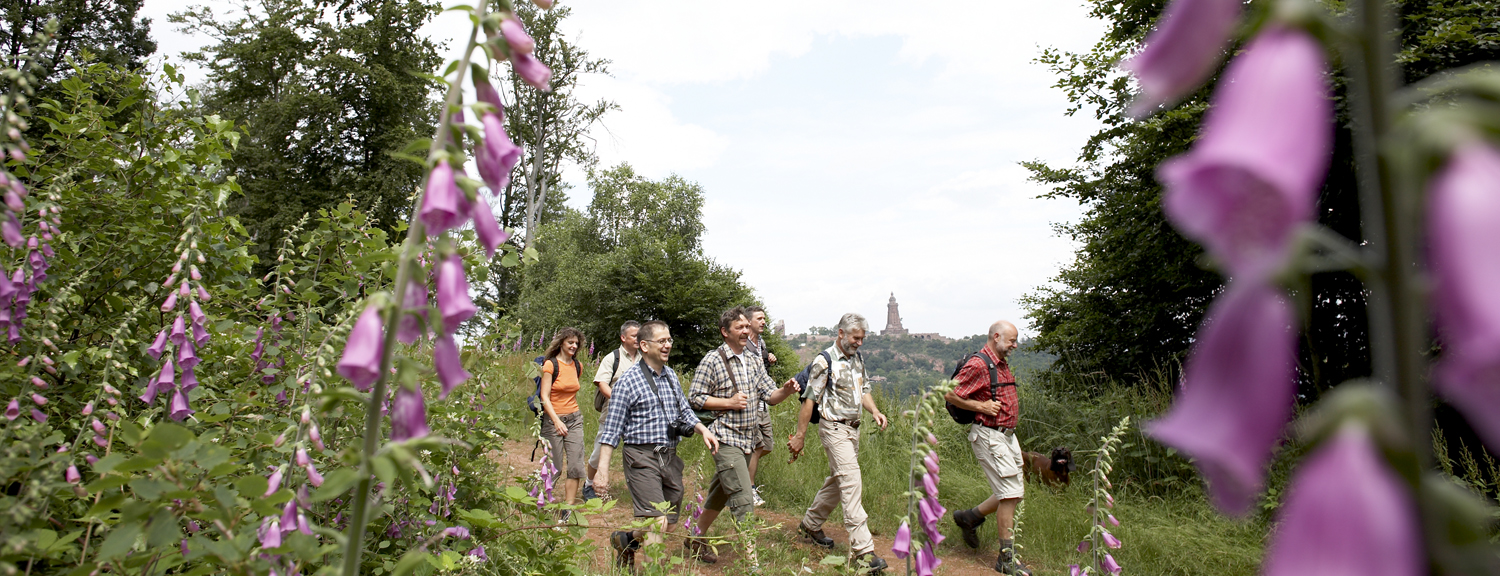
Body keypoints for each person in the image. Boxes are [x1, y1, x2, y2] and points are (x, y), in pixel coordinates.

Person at [593, 320, 720, 572]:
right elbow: (611, 431)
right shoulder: (627, 382)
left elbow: (685, 410)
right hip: (640, 457)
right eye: (662, 341)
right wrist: (602, 471)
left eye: (669, 340)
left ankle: (626, 539)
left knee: (668, 524)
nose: (667, 345)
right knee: (657, 522)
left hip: (669, 457)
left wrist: (703, 429)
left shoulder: (671, 376)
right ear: (644, 345)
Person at [684, 307, 801, 564]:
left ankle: (694, 537)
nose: (746, 331)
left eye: (747, 327)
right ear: (725, 332)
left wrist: (786, 390)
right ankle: (752, 563)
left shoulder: (753, 360)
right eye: (740, 327)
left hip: (748, 439)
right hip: (724, 438)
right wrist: (728, 402)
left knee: (720, 492)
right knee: (743, 496)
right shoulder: (712, 360)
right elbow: (694, 398)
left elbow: (770, 396)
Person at [787, 313, 890, 573]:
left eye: (862, 338)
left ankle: (810, 525)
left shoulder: (857, 358)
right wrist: (800, 436)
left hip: (852, 430)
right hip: (833, 428)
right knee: (851, 481)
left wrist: (875, 411)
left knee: (838, 480)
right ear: (841, 333)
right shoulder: (825, 360)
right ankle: (863, 551)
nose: (860, 343)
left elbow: (863, 390)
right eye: (856, 338)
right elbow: (809, 399)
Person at [946, 320, 1031, 576]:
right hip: (990, 436)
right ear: (996, 337)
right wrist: (981, 407)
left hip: (1006, 436)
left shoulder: (999, 363)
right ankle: (1006, 558)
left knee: (1014, 491)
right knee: (1009, 494)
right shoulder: (979, 363)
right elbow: (950, 393)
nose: (1015, 345)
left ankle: (969, 517)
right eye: (1011, 341)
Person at [583, 320, 641, 501]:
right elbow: (602, 384)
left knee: (638, 452)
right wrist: (619, 401)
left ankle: (642, 488)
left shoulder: (645, 357)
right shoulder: (612, 358)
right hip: (613, 412)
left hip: (638, 414)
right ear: (623, 338)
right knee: (600, 451)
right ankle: (588, 484)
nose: (638, 339)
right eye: (634, 336)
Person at [538, 327, 587, 513]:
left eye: (576, 343)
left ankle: (568, 508)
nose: (574, 346)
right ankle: (543, 501)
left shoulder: (577, 366)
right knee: (554, 466)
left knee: (575, 464)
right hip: (553, 420)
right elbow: (544, 396)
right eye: (570, 342)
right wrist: (557, 421)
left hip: (574, 419)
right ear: (561, 343)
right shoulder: (550, 365)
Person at [743, 305, 778, 506]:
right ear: (749, 322)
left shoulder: (761, 343)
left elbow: (761, 370)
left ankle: (740, 469)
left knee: (767, 445)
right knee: (757, 446)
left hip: (763, 404)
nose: (764, 321)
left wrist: (768, 358)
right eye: (760, 318)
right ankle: (750, 489)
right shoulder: (742, 344)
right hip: (750, 404)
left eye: (764, 318)